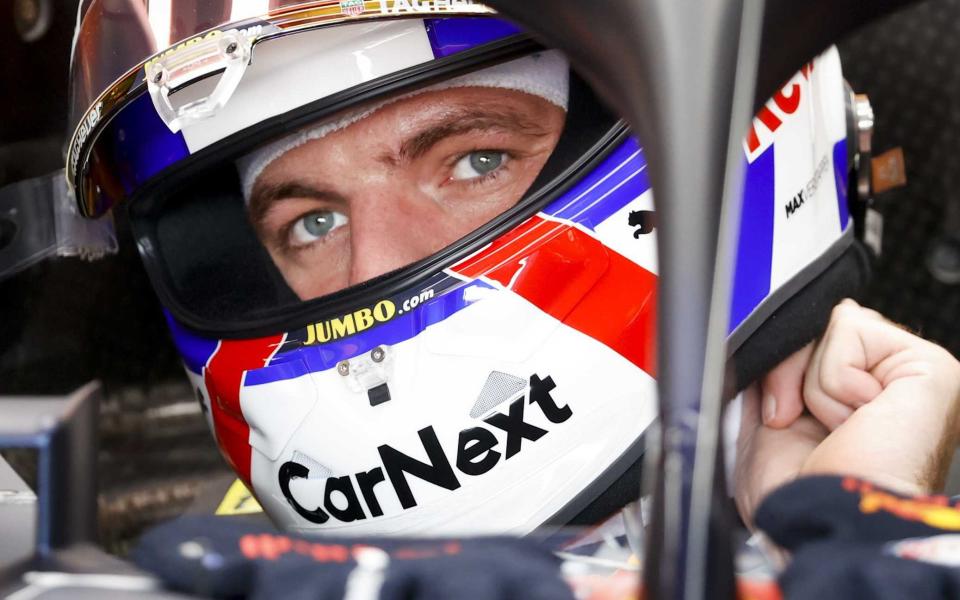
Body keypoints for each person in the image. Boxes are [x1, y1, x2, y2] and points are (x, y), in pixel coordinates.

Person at [66, 2, 874, 541]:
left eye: (475, 160)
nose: (373, 267)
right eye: (312, 223)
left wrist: (834, 536)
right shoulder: (191, 564)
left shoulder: (880, 496)